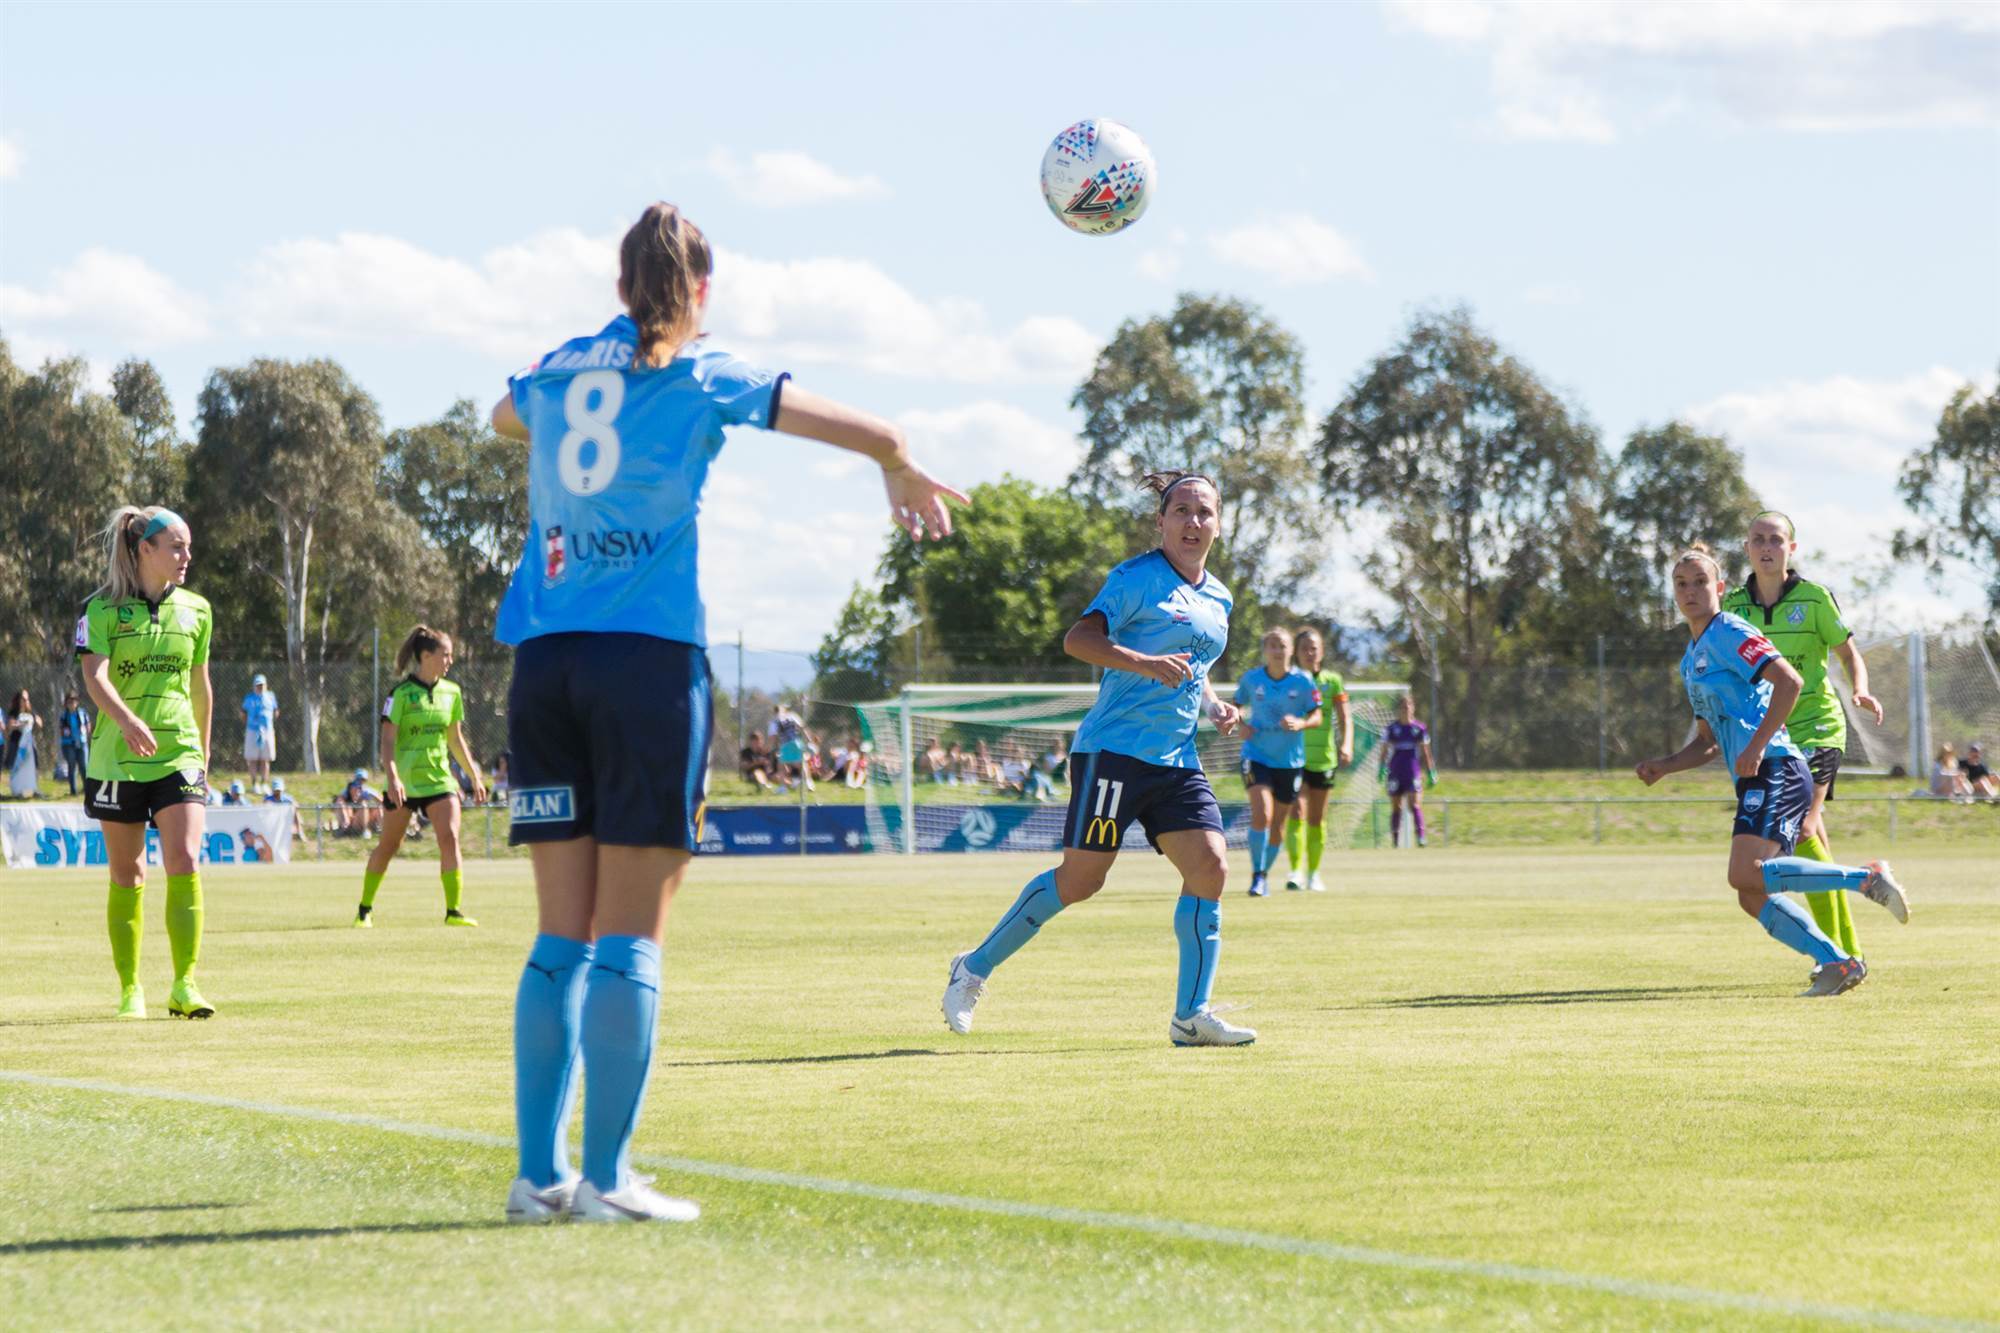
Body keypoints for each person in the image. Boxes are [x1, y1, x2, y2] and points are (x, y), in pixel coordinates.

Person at [489, 201, 964, 1224]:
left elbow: (502, 416)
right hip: (645, 668)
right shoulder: (705, 371)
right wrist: (895, 461)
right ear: (701, 291)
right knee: (630, 938)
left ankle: (539, 1176)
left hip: (544, 664)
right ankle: (609, 1180)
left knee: (557, 936)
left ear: (619, 287)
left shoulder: (560, 364)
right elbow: (868, 428)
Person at [942, 471, 1254, 1049]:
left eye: (1204, 512)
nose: (1192, 522)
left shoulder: (1220, 597)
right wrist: (1145, 662)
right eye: (1180, 511)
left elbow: (1197, 667)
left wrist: (1214, 706)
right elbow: (1078, 640)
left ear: (1218, 523)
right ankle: (974, 967)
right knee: (1082, 881)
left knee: (1211, 865)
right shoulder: (1135, 579)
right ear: (1160, 523)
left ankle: (1191, 1016)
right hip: (1113, 753)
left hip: (1176, 758)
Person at [1635, 545, 1908, 996]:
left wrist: (1759, 745)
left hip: (1778, 766)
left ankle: (1866, 879)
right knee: (1750, 892)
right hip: (1757, 774)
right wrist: (1664, 767)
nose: (1690, 591)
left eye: (1700, 582)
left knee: (1744, 874)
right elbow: (1708, 741)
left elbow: (1791, 681)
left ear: (1719, 588)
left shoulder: (1728, 630)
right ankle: (1836, 963)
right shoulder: (1692, 659)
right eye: (1681, 584)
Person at [1722, 510, 1884, 969]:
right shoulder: (1735, 605)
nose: (1767, 546)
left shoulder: (1813, 599)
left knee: (1806, 831)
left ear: (1792, 548)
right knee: (1814, 843)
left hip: (1816, 727)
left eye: (1776, 539)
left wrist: (1861, 688)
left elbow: (1848, 652)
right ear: (1748, 548)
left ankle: (1837, 950)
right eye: (1758, 539)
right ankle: (1844, 949)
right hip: (1771, 734)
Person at [76, 505, 215, 1020]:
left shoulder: (197, 609)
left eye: (188, 547)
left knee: (185, 859)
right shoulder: (101, 610)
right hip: (117, 759)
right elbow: (96, 678)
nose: (186, 557)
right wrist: (129, 721)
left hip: (178, 752)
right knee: (128, 873)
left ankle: (185, 984)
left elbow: (201, 686)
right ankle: (131, 987)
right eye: (176, 547)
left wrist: (202, 751)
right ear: (145, 550)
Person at [354, 626, 487, 928]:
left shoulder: (452, 692)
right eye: (445, 655)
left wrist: (474, 777)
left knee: (450, 837)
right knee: (389, 846)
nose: (450, 660)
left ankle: (453, 911)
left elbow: (455, 739)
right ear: (426, 656)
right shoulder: (400, 694)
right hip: (404, 783)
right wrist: (393, 778)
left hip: (440, 780)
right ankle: (364, 909)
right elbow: (387, 741)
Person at [1233, 628, 1322, 897]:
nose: (1277, 650)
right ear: (1265, 650)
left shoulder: (1304, 681)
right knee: (1263, 813)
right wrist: (1241, 724)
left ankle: (1264, 873)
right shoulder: (1251, 679)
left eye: (1281, 645)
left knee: (1278, 825)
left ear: (1290, 650)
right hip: (1256, 755)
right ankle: (1257, 877)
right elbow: (1236, 705)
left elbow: (1317, 715)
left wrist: (1301, 723)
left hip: (1290, 761)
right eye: (1271, 645)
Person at [1283, 627, 1352, 892]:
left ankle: (1314, 873)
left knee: (1316, 818)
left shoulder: (1332, 681)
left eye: (1314, 648)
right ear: (1296, 653)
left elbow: (1345, 716)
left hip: (1324, 758)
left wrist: (1345, 743)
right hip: (1294, 757)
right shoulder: (1290, 680)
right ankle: (1296, 871)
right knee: (1297, 812)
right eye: (1304, 649)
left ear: (1321, 651)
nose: (1309, 653)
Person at [1379, 695, 1435, 847]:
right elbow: (1384, 750)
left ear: (1413, 707)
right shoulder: (1391, 729)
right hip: (1395, 771)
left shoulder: (1419, 728)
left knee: (1414, 805)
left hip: (1412, 771)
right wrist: (1381, 768)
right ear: (1399, 709)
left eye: (1408, 705)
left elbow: (1426, 752)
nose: (1406, 708)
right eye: (1403, 706)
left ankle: (1421, 838)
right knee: (1396, 807)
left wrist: (1431, 772)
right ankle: (1395, 842)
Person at [241, 673, 278, 786]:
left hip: (267, 730)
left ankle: (264, 783)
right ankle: (254, 783)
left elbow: (276, 711)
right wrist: (250, 724)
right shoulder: (249, 698)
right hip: (252, 730)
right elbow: (243, 713)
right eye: (258, 685)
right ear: (254, 686)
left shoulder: (271, 696)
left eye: (262, 685)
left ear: (266, 685)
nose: (260, 687)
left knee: (265, 759)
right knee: (252, 758)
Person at [5, 688, 42, 798]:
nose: (25, 701)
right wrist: (20, 724)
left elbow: (39, 723)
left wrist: (36, 721)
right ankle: (17, 790)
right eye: (23, 699)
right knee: (17, 765)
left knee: (34, 765)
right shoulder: (14, 712)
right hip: (17, 743)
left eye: (27, 699)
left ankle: (34, 789)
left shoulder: (30, 712)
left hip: (29, 743)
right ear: (19, 700)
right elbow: (9, 725)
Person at [335, 768, 383, 837]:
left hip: (368, 819)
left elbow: (382, 802)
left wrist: (373, 795)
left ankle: (382, 829)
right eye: (358, 779)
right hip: (353, 822)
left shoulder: (367, 790)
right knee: (343, 805)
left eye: (363, 779)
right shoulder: (347, 790)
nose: (360, 781)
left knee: (377, 806)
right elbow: (339, 801)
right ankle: (346, 829)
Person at [57, 690, 88, 796]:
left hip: (81, 742)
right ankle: (73, 790)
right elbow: (61, 729)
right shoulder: (64, 716)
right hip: (68, 744)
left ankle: (87, 789)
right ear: (66, 703)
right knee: (72, 766)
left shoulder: (82, 713)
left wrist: (85, 734)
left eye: (74, 700)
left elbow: (87, 726)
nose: (72, 703)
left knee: (84, 766)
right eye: (69, 701)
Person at [266, 777, 305, 841]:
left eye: (279, 791)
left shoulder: (287, 798)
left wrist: (293, 804)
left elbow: (296, 805)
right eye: (276, 791)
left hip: (285, 820)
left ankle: (299, 832)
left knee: (295, 811)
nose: (277, 793)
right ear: (272, 790)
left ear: (282, 790)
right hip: (274, 821)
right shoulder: (268, 799)